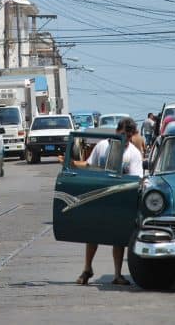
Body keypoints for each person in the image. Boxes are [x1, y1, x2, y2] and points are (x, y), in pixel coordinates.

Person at [61, 118, 143, 286]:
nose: (125, 140)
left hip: (120, 197)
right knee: (93, 233)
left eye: (128, 137)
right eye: (122, 135)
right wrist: (71, 164)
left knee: (118, 238)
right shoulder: (102, 146)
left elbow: (137, 179)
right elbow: (89, 165)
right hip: (99, 194)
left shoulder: (134, 153)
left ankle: (118, 275)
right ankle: (87, 269)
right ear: (116, 132)